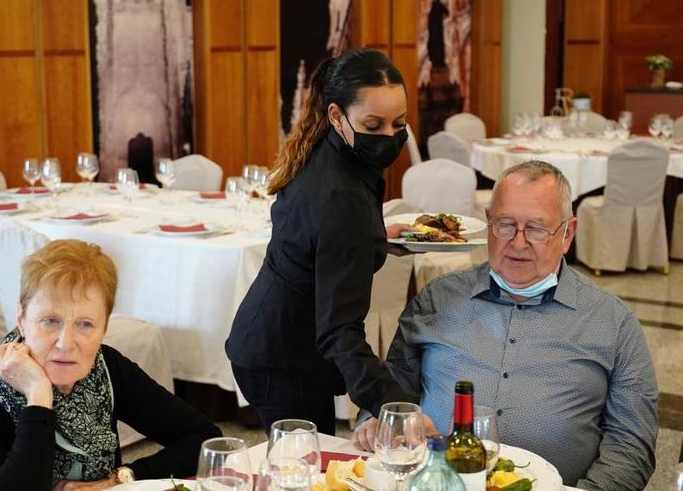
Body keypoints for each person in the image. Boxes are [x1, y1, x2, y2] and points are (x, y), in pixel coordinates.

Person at [353, 161, 659, 490]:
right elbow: (393, 392)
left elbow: (631, 443)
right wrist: (376, 420)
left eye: (537, 229)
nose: (518, 242)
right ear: (488, 222)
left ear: (568, 233)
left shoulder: (613, 322)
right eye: (505, 225)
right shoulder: (437, 299)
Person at [226, 48, 426, 435]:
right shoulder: (341, 196)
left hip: (270, 338)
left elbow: (316, 244)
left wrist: (375, 240)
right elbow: (339, 329)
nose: (389, 137)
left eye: (399, 123)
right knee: (306, 470)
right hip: (284, 357)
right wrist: (394, 407)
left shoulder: (330, 149)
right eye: (373, 125)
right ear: (337, 116)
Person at [0, 240, 222, 491]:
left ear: (105, 327)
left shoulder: (106, 369)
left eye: (85, 324)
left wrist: (123, 478)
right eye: (50, 321)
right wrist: (38, 398)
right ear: (22, 319)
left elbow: (204, 438)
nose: (66, 343)